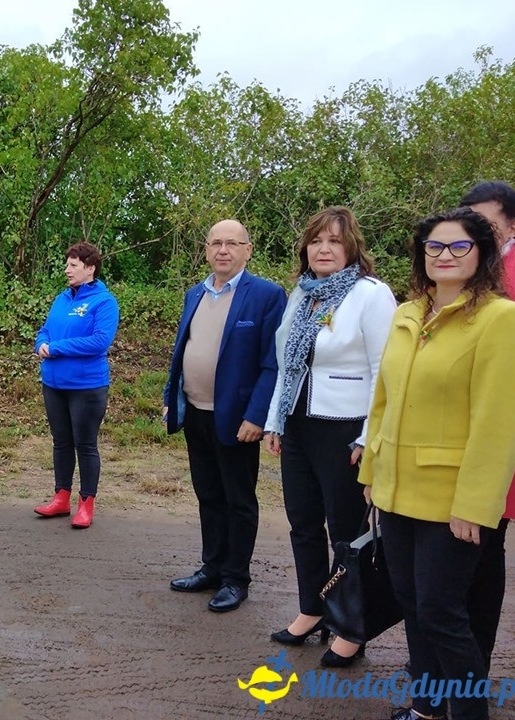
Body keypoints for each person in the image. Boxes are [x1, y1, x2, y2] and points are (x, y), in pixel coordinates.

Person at [360, 208, 515, 720]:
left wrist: (476, 505)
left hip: (452, 500)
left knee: (441, 613)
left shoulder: (505, 320)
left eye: (459, 247)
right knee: (411, 604)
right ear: (421, 255)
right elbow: (384, 399)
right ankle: (427, 707)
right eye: (434, 247)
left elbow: (500, 423)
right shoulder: (408, 313)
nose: (445, 256)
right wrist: (372, 472)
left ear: (481, 254)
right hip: (395, 488)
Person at [263, 207, 396, 666]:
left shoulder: (371, 295)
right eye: (316, 240)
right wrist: (275, 421)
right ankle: (311, 608)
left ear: (351, 247)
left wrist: (368, 436)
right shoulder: (302, 295)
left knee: (346, 533)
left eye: (334, 241)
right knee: (302, 524)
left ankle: (349, 627)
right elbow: (287, 364)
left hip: (345, 429)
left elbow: (386, 371)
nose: (323, 249)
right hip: (297, 423)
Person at [163, 219, 286, 613]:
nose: (223, 250)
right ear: (206, 249)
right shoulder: (194, 293)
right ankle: (211, 567)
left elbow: (273, 363)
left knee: (238, 500)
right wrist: (172, 396)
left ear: (248, 250)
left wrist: (257, 416)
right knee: (208, 494)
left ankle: (236, 578)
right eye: (216, 242)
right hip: (196, 412)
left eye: (232, 243)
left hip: (237, 419)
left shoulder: (266, 295)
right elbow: (182, 350)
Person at [459, 182, 515, 673]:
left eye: (486, 221)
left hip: (497, 437)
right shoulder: (455, 274)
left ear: (513, 226)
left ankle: (471, 666)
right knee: (445, 555)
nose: (476, 229)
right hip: (443, 435)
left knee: (483, 550)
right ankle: (443, 653)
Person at [33, 242, 119, 529]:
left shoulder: (104, 302)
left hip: (87, 386)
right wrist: (41, 343)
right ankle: (61, 498)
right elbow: (46, 328)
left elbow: (99, 341)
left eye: (73, 265)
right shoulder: (61, 299)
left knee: (85, 444)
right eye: (67, 264)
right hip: (54, 383)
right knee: (61, 442)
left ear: (90, 268)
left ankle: (86, 504)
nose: (67, 269)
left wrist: (56, 348)